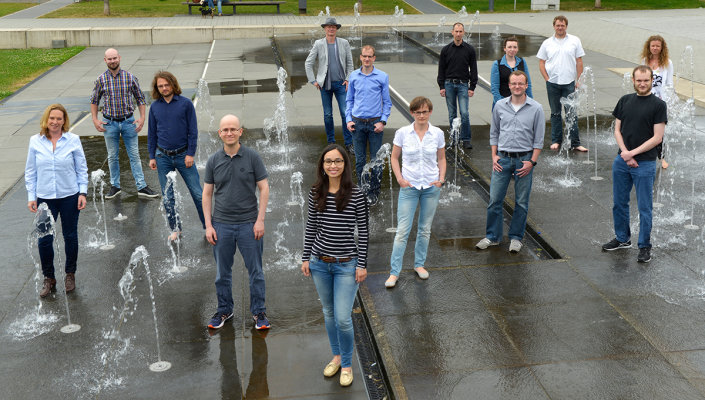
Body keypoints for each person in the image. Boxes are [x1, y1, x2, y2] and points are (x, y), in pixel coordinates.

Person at [301, 144, 369, 387]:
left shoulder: (357, 194)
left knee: (342, 317)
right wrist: (305, 257)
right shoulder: (315, 192)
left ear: (345, 164)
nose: (332, 165)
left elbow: (363, 231)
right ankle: (337, 356)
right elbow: (311, 227)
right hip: (320, 263)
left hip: (346, 265)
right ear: (322, 165)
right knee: (329, 313)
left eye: (337, 161)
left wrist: (362, 264)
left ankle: (348, 364)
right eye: (328, 161)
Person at [204, 114, 271, 331]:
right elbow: (207, 194)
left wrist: (260, 220)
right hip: (221, 224)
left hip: (249, 224)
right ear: (220, 134)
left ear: (240, 131)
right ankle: (224, 309)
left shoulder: (252, 157)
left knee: (256, 272)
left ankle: (259, 311)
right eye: (225, 130)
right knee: (222, 273)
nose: (229, 133)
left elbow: (264, 188)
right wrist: (209, 225)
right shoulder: (214, 160)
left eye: (233, 129)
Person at [601, 66, 666, 264]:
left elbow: (657, 138)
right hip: (622, 161)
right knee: (619, 203)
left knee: (645, 207)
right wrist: (624, 153)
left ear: (651, 80)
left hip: (645, 163)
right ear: (633, 80)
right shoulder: (625, 100)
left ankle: (645, 246)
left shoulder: (658, 105)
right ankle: (622, 239)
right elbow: (617, 131)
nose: (642, 83)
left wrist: (632, 153)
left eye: (646, 80)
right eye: (639, 80)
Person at [476, 71, 544, 254]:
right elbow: (494, 133)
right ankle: (492, 237)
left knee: (521, 202)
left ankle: (516, 238)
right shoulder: (499, 106)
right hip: (503, 159)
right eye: (514, 83)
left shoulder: (536, 108)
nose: (517, 86)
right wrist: (494, 156)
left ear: (526, 85)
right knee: (494, 200)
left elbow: (539, 139)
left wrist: (532, 162)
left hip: (524, 160)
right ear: (509, 85)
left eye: (520, 83)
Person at [25, 104, 88, 297]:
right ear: (46, 119)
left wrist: (83, 192)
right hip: (45, 199)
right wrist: (31, 196)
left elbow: (81, 168)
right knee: (44, 240)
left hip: (69, 196)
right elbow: (30, 171)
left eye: (59, 119)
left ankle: (70, 274)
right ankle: (49, 278)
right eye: (52, 118)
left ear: (64, 121)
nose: (55, 122)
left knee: (70, 236)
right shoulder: (35, 141)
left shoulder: (73, 140)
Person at [385, 97, 446, 288]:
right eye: (418, 112)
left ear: (430, 112)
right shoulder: (403, 133)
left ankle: (419, 265)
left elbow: (442, 159)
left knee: (424, 229)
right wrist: (400, 179)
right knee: (403, 231)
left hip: (430, 187)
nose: (421, 115)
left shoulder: (437, 133)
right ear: (412, 113)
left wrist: (441, 179)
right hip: (409, 187)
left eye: (425, 111)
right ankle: (394, 272)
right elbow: (394, 158)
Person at [90, 48, 158, 199]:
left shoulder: (130, 77)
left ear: (119, 58)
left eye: (115, 58)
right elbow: (94, 101)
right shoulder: (101, 79)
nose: (113, 61)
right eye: (110, 59)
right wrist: (95, 119)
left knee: (134, 155)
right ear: (105, 60)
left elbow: (140, 98)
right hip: (109, 123)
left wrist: (142, 118)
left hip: (128, 121)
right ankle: (115, 186)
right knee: (112, 156)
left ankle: (141, 186)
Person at [147, 71, 205, 241]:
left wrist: (190, 154)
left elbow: (192, 132)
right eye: (160, 86)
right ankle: (175, 229)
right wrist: (152, 156)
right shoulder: (155, 107)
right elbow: (152, 134)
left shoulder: (185, 104)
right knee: (168, 197)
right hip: (162, 156)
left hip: (183, 156)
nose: (164, 88)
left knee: (198, 194)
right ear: (157, 88)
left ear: (173, 84)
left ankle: (208, 225)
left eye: (166, 85)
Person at [345, 45, 392, 205]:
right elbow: (349, 100)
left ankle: (374, 191)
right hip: (357, 124)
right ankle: (362, 191)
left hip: (375, 125)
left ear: (374, 58)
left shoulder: (382, 76)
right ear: (360, 57)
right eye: (364, 56)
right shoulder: (354, 76)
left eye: (369, 56)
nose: (366, 59)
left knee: (376, 160)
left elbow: (387, 102)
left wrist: (383, 121)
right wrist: (348, 120)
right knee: (359, 161)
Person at [536, 16, 587, 152]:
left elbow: (579, 61)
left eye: (562, 25)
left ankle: (575, 142)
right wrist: (546, 78)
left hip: (569, 83)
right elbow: (541, 62)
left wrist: (579, 80)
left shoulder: (574, 41)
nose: (560, 28)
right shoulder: (547, 43)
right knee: (555, 113)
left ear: (566, 26)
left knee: (571, 113)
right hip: (552, 83)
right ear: (554, 26)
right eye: (558, 25)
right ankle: (556, 140)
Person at [305, 17, 355, 152]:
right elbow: (308, 63)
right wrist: (313, 80)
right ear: (325, 29)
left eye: (333, 27)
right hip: (324, 85)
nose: (331, 29)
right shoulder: (318, 44)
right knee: (328, 114)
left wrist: (348, 79)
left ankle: (349, 142)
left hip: (341, 84)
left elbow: (350, 63)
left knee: (345, 113)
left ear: (336, 29)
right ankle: (331, 142)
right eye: (328, 26)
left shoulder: (344, 43)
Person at [437, 22, 478, 149]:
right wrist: (441, 86)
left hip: (463, 85)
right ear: (452, 32)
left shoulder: (469, 50)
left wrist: (472, 87)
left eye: (461, 31)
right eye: (456, 31)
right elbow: (441, 69)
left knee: (464, 113)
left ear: (463, 33)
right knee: (452, 114)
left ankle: (466, 139)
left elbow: (474, 69)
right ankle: (454, 139)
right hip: (449, 84)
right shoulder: (446, 50)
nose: (458, 34)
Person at [641, 35, 673, 169]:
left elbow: (670, 83)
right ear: (649, 47)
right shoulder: (645, 60)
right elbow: (641, 78)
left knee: (659, 131)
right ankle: (644, 154)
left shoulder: (667, 63)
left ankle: (662, 157)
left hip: (660, 101)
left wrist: (670, 100)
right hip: (646, 98)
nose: (655, 48)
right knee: (644, 127)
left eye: (657, 46)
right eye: (652, 46)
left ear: (662, 48)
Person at [491, 36, 533, 109]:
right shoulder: (497, 64)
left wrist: (530, 101)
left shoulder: (522, 62)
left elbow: (528, 83)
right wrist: (501, 104)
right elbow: (495, 88)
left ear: (518, 48)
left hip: (520, 102)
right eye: (509, 47)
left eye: (515, 47)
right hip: (503, 102)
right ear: (505, 48)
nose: (512, 49)